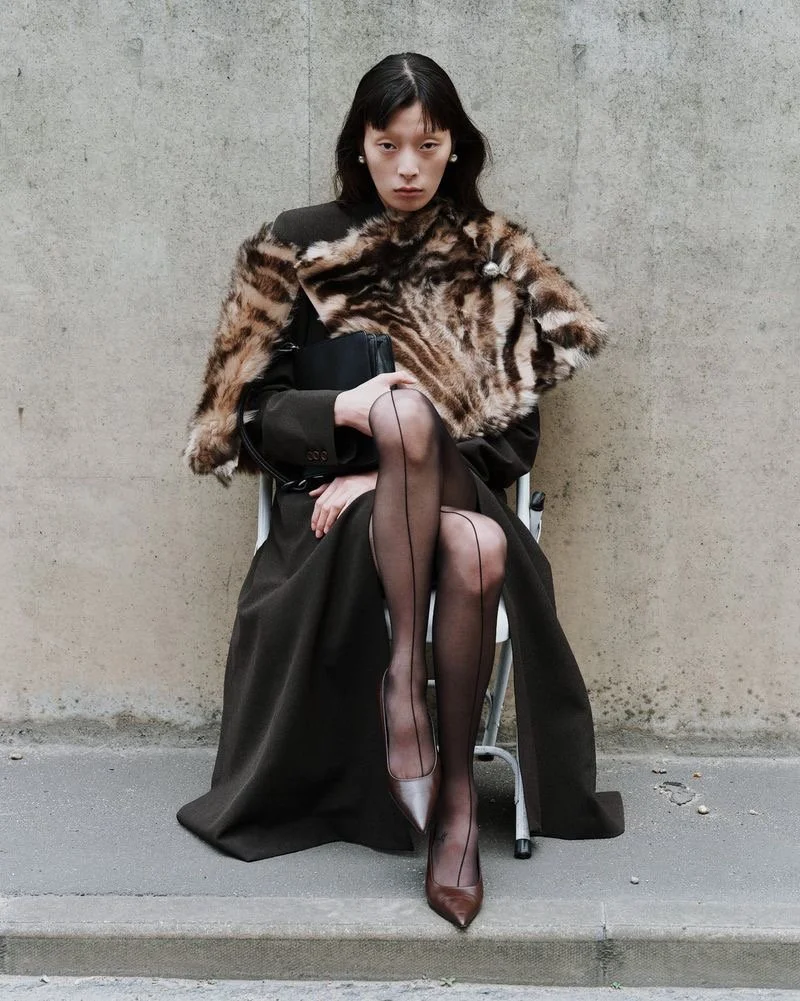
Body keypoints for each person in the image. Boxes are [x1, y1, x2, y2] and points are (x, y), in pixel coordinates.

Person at [178, 52, 624, 930]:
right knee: (479, 545)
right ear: (361, 145)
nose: (410, 166)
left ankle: (402, 690)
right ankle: (457, 805)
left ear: (455, 146)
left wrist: (384, 465)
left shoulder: (489, 254)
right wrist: (341, 409)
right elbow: (241, 418)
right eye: (390, 145)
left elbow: (515, 435)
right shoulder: (298, 243)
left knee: (415, 418)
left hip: (445, 481)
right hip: (341, 520)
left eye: (430, 143)